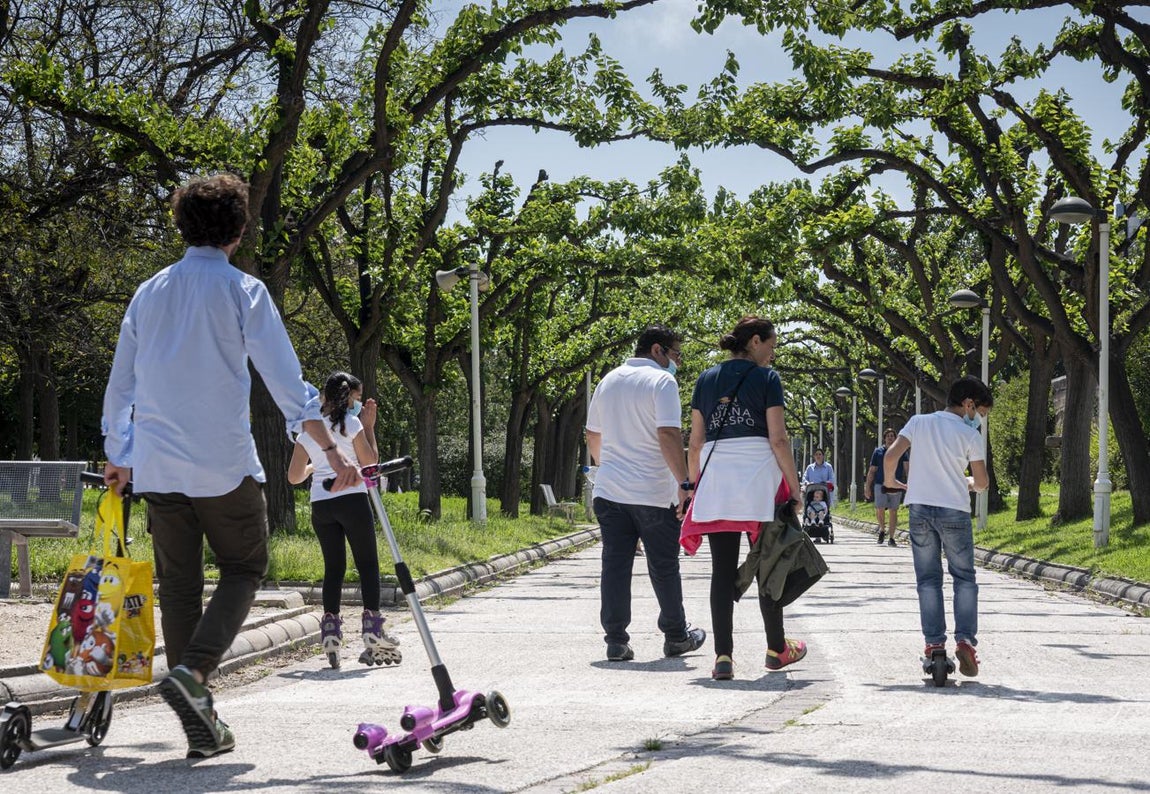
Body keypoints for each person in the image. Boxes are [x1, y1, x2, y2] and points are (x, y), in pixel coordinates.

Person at [102, 174, 360, 759]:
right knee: (246, 566)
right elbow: (288, 386)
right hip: (223, 464)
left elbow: (121, 387)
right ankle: (192, 676)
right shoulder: (244, 292)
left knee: (181, 586)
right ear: (239, 232)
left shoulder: (149, 292)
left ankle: (201, 716)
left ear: (182, 226)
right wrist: (333, 449)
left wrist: (119, 456)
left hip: (159, 466)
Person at [681, 316, 805, 681]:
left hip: (718, 477)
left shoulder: (705, 379)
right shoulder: (767, 379)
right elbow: (778, 439)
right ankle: (776, 648)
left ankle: (723, 656)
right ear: (754, 341)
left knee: (721, 569)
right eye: (771, 345)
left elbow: (696, 442)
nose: (773, 353)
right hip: (758, 478)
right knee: (770, 562)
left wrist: (693, 487)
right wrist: (794, 487)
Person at [585, 324, 706, 663]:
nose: (676, 363)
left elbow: (593, 435)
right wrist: (684, 483)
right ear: (657, 350)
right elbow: (668, 434)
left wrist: (607, 467)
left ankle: (615, 640)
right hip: (652, 492)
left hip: (609, 492)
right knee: (664, 565)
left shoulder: (608, 380)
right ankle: (676, 635)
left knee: (615, 564)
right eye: (675, 354)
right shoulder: (662, 382)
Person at [288, 372, 400, 669]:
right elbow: (371, 465)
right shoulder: (352, 424)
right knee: (367, 564)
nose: (357, 405)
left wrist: (313, 468)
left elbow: (293, 476)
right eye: (355, 399)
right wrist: (370, 428)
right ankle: (373, 631)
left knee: (333, 568)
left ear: (323, 396)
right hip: (352, 499)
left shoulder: (307, 431)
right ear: (347, 397)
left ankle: (331, 634)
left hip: (321, 504)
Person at [883, 375, 993, 678]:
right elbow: (982, 482)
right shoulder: (970, 435)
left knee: (928, 579)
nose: (980, 419)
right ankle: (966, 642)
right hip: (954, 510)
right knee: (964, 578)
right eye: (981, 413)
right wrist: (968, 482)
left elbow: (891, 455)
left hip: (918, 509)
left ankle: (934, 644)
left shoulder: (919, 422)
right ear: (969, 404)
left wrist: (891, 481)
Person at [865, 429, 910, 547]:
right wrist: (867, 487)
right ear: (884, 438)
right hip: (880, 483)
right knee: (880, 508)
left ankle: (891, 537)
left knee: (893, 510)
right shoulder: (878, 452)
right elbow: (872, 470)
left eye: (892, 436)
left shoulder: (901, 452)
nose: (890, 438)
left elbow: (907, 468)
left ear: (895, 438)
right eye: (888, 436)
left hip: (896, 483)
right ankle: (882, 529)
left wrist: (910, 484)